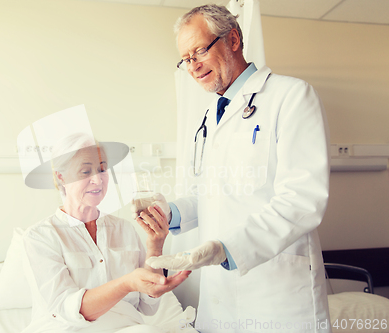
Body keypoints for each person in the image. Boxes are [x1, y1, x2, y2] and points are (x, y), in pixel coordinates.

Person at [146, 4, 331, 333]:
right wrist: (168, 213)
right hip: (220, 298)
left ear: (232, 40)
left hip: (276, 293)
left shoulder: (291, 96)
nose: (193, 66)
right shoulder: (208, 118)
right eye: (185, 59)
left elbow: (303, 200)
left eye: (199, 51)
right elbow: (207, 194)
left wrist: (227, 248)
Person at [20, 133, 191, 333]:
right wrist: (127, 283)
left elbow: (148, 306)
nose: (97, 180)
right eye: (85, 171)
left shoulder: (124, 230)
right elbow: (68, 310)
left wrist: (156, 244)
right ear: (61, 176)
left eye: (102, 169)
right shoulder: (40, 237)